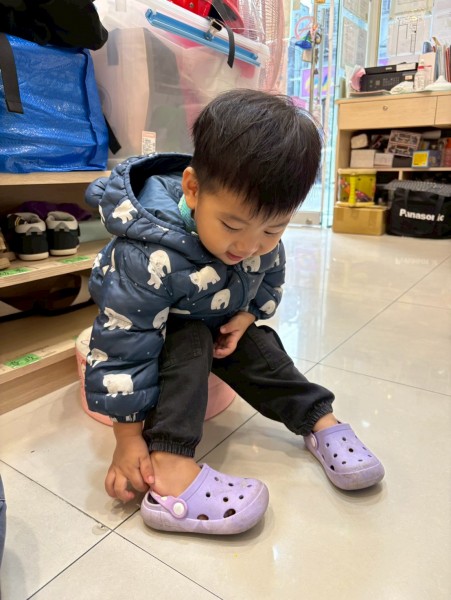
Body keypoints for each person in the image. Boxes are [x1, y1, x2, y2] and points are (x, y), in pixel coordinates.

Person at [85, 89, 384, 535]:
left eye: (273, 229)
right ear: (193, 189)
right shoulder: (144, 254)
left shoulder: (257, 236)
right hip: (159, 335)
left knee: (260, 345)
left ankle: (319, 420)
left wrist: (248, 316)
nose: (248, 246)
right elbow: (122, 344)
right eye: (231, 225)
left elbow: (270, 274)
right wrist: (127, 438)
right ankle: (169, 470)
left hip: (218, 317)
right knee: (191, 340)